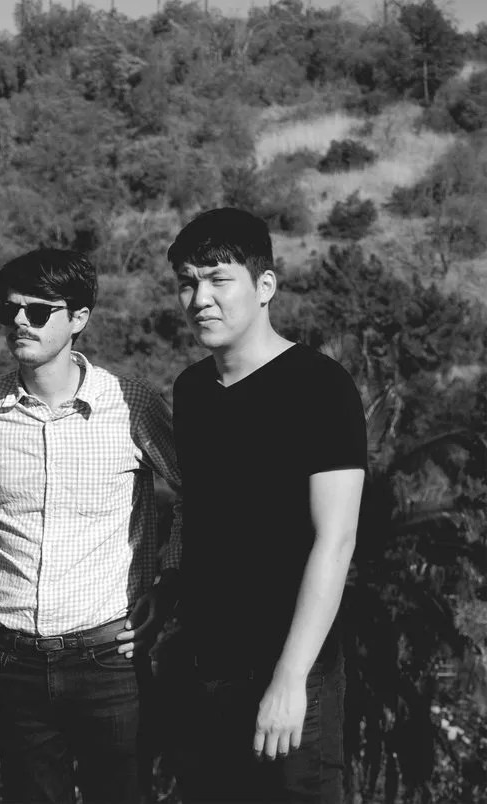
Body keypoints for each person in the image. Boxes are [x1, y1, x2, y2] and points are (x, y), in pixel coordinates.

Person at [0, 248, 183, 803]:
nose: (19, 322)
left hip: (110, 657)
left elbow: (195, 495)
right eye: (9, 310)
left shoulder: (130, 402)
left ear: (79, 318)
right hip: (14, 660)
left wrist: (169, 583)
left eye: (37, 311)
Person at [167, 207, 366, 802]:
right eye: (187, 282)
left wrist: (290, 678)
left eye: (218, 279)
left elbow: (336, 539)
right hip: (204, 669)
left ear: (265, 286)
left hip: (292, 673)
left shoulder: (320, 386)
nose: (200, 298)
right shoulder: (191, 390)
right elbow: (203, 515)